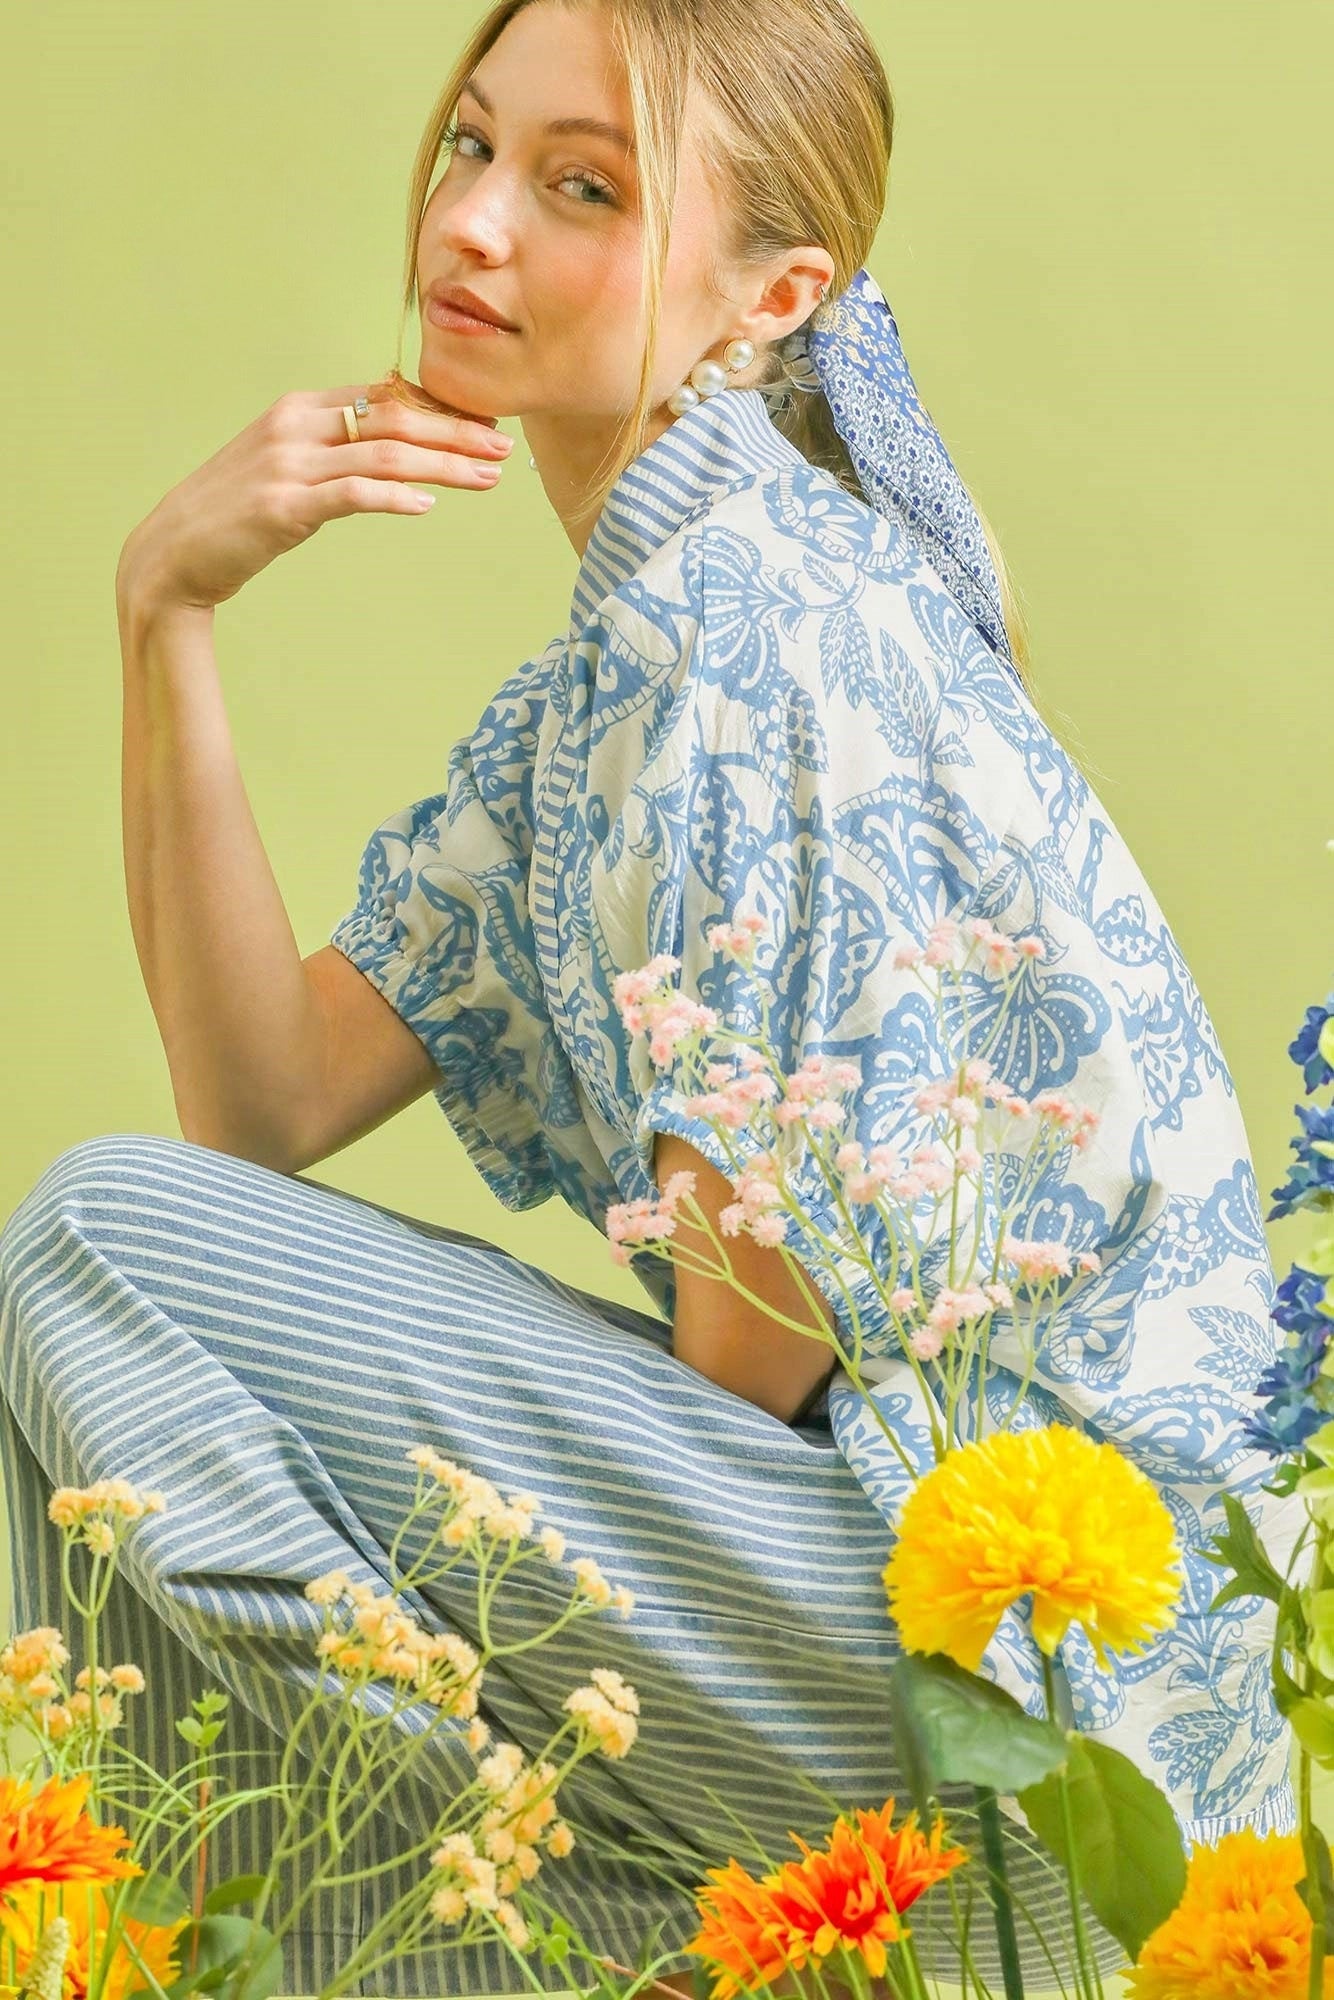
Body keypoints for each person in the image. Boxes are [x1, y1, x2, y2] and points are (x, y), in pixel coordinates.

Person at [0, 1, 1295, 1995]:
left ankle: (449, 1872)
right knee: (105, 1366)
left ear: (773, 299)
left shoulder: (754, 629)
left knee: (101, 1239)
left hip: (1022, 1711)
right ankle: (445, 1900)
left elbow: (745, 1353)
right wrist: (164, 606)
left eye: (584, 187)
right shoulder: (622, 671)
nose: (474, 222)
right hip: (949, 1666)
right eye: (471, 145)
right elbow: (260, 1101)